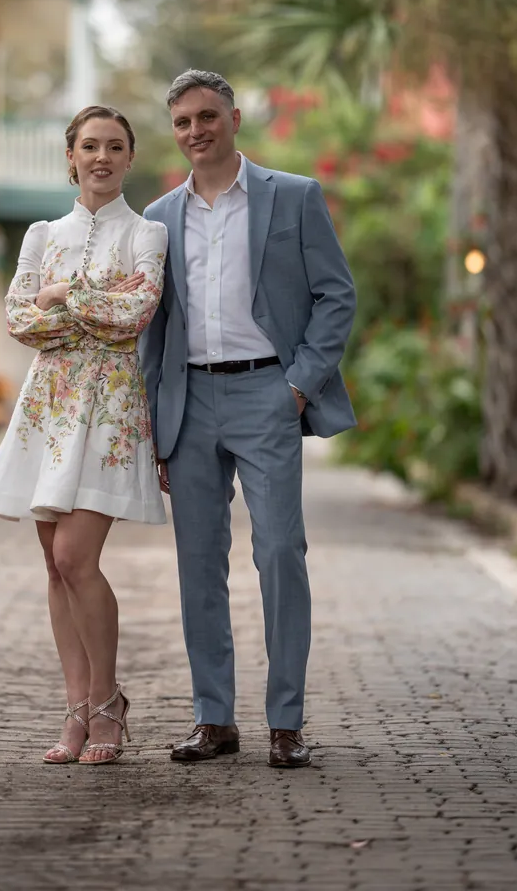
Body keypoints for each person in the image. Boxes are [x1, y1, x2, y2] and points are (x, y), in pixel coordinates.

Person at [140, 70, 356, 769]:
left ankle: (286, 721)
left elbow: (336, 296)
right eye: (182, 123)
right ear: (174, 132)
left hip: (268, 392)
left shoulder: (292, 196)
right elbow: (153, 328)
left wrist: (298, 385)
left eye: (207, 116)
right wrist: (152, 421)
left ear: (233, 118)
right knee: (198, 565)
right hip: (190, 400)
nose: (195, 131)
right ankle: (214, 719)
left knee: (278, 552)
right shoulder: (158, 218)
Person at [0, 105, 168, 766]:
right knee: (53, 569)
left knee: (74, 560)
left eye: (115, 146)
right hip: (48, 409)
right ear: (71, 156)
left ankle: (109, 701)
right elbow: (20, 321)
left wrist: (61, 297)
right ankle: (77, 707)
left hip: (110, 411)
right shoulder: (40, 233)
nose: (102, 157)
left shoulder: (148, 234)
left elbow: (135, 316)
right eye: (90, 145)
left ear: (130, 158)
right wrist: (81, 306)